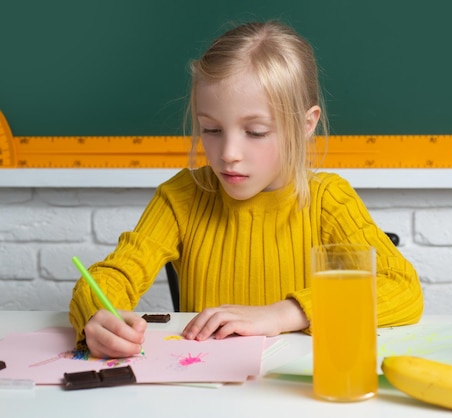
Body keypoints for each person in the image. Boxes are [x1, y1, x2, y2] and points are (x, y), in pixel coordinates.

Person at [69, 20, 423, 359]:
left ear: (305, 124)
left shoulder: (328, 199)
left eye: (255, 132)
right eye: (211, 129)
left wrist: (283, 314)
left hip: (301, 390)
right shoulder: (182, 196)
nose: (229, 154)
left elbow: (403, 289)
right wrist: (99, 316)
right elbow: (110, 276)